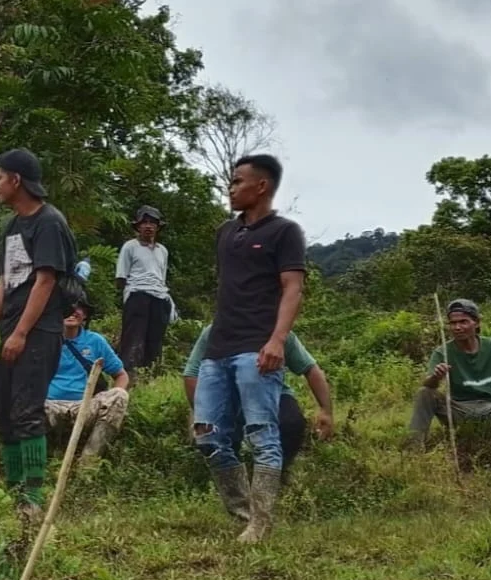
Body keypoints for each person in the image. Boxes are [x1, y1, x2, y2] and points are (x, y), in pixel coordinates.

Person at [193, 154, 305, 544]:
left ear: (262, 187)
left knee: (262, 433)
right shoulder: (225, 233)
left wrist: (276, 340)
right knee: (206, 434)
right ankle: (243, 512)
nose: (231, 187)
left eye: (238, 181)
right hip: (218, 348)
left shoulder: (284, 232)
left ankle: (261, 522)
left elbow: (292, 288)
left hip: (256, 349)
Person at [0, 148, 79, 518]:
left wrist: (20, 333)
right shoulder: (11, 225)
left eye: (0, 177)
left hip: (40, 331)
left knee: (26, 411)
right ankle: (13, 487)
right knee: (4, 410)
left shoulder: (49, 222)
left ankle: (32, 498)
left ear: (16, 180)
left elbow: (45, 281)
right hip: (11, 329)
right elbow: (6, 281)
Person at [183, 324, 333, 518]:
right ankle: (238, 501)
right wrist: (203, 410)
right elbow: (191, 374)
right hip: (228, 396)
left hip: (272, 395)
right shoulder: (214, 332)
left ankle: (276, 475)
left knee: (292, 423)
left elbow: (311, 369)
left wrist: (326, 410)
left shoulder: (279, 333)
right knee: (218, 436)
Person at [406, 299, 491, 466]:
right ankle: (414, 455)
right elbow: (429, 384)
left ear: (476, 323)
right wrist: (436, 376)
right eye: (453, 323)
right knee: (424, 393)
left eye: (463, 322)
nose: (457, 327)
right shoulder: (443, 351)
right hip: (459, 410)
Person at [44, 297, 131, 466]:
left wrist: (109, 398)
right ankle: (43, 459)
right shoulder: (44, 340)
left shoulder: (95, 341)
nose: (73, 312)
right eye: (68, 307)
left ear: (85, 315)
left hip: (84, 406)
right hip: (49, 406)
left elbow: (121, 375)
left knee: (119, 395)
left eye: (79, 308)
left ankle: (88, 463)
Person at [116, 205, 171, 380]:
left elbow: (161, 277)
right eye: (144, 222)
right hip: (137, 294)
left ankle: (150, 375)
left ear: (157, 227)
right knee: (133, 337)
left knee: (154, 338)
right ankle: (127, 375)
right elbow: (121, 276)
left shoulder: (162, 251)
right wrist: (129, 297)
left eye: (152, 223)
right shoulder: (130, 247)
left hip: (159, 296)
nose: (148, 226)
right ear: (138, 226)